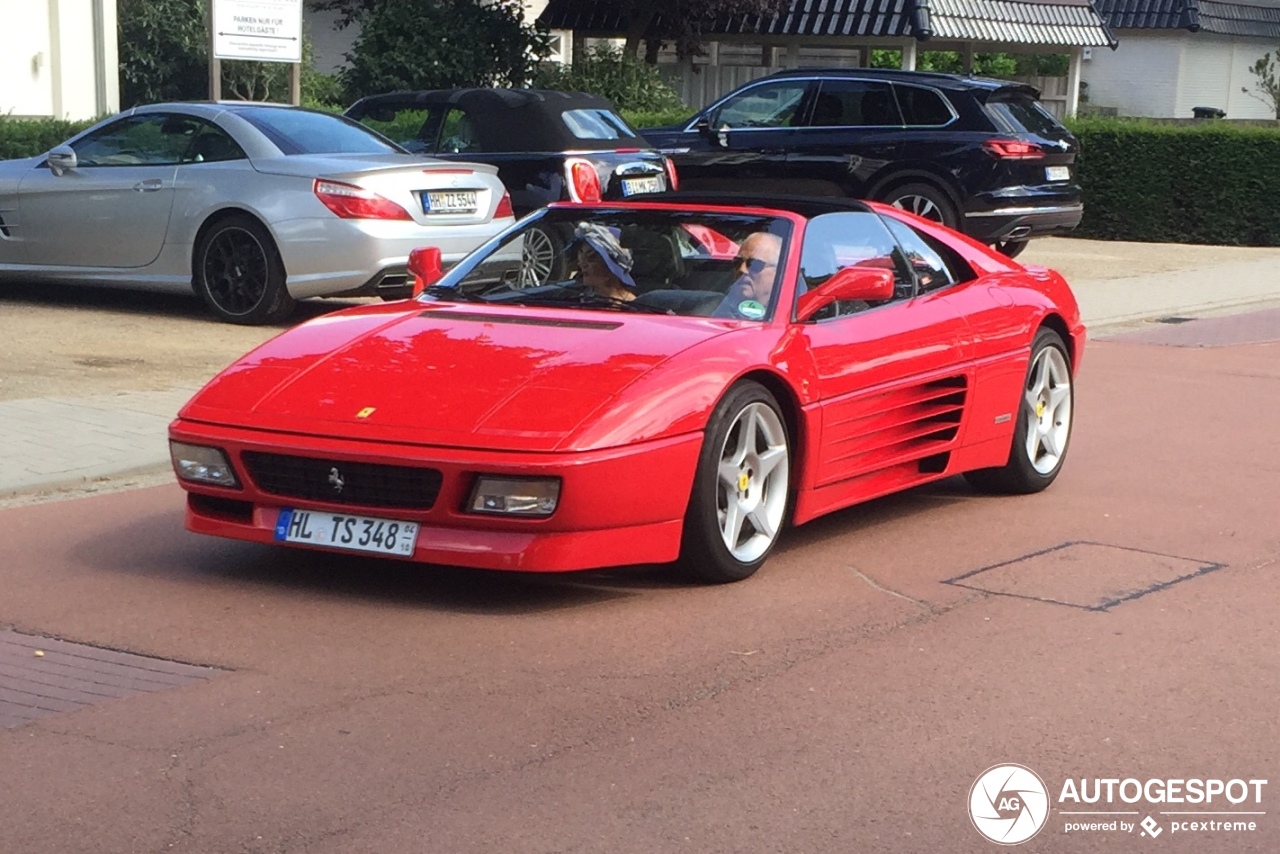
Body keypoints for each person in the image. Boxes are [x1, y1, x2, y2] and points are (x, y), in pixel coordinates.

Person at [712, 231, 782, 319]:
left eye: (754, 264)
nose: (742, 269)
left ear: (779, 272)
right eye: (738, 262)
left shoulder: (790, 319)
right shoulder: (712, 310)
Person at [572, 222, 636, 302]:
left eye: (591, 257)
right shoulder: (568, 299)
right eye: (581, 255)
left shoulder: (636, 309)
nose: (581, 264)